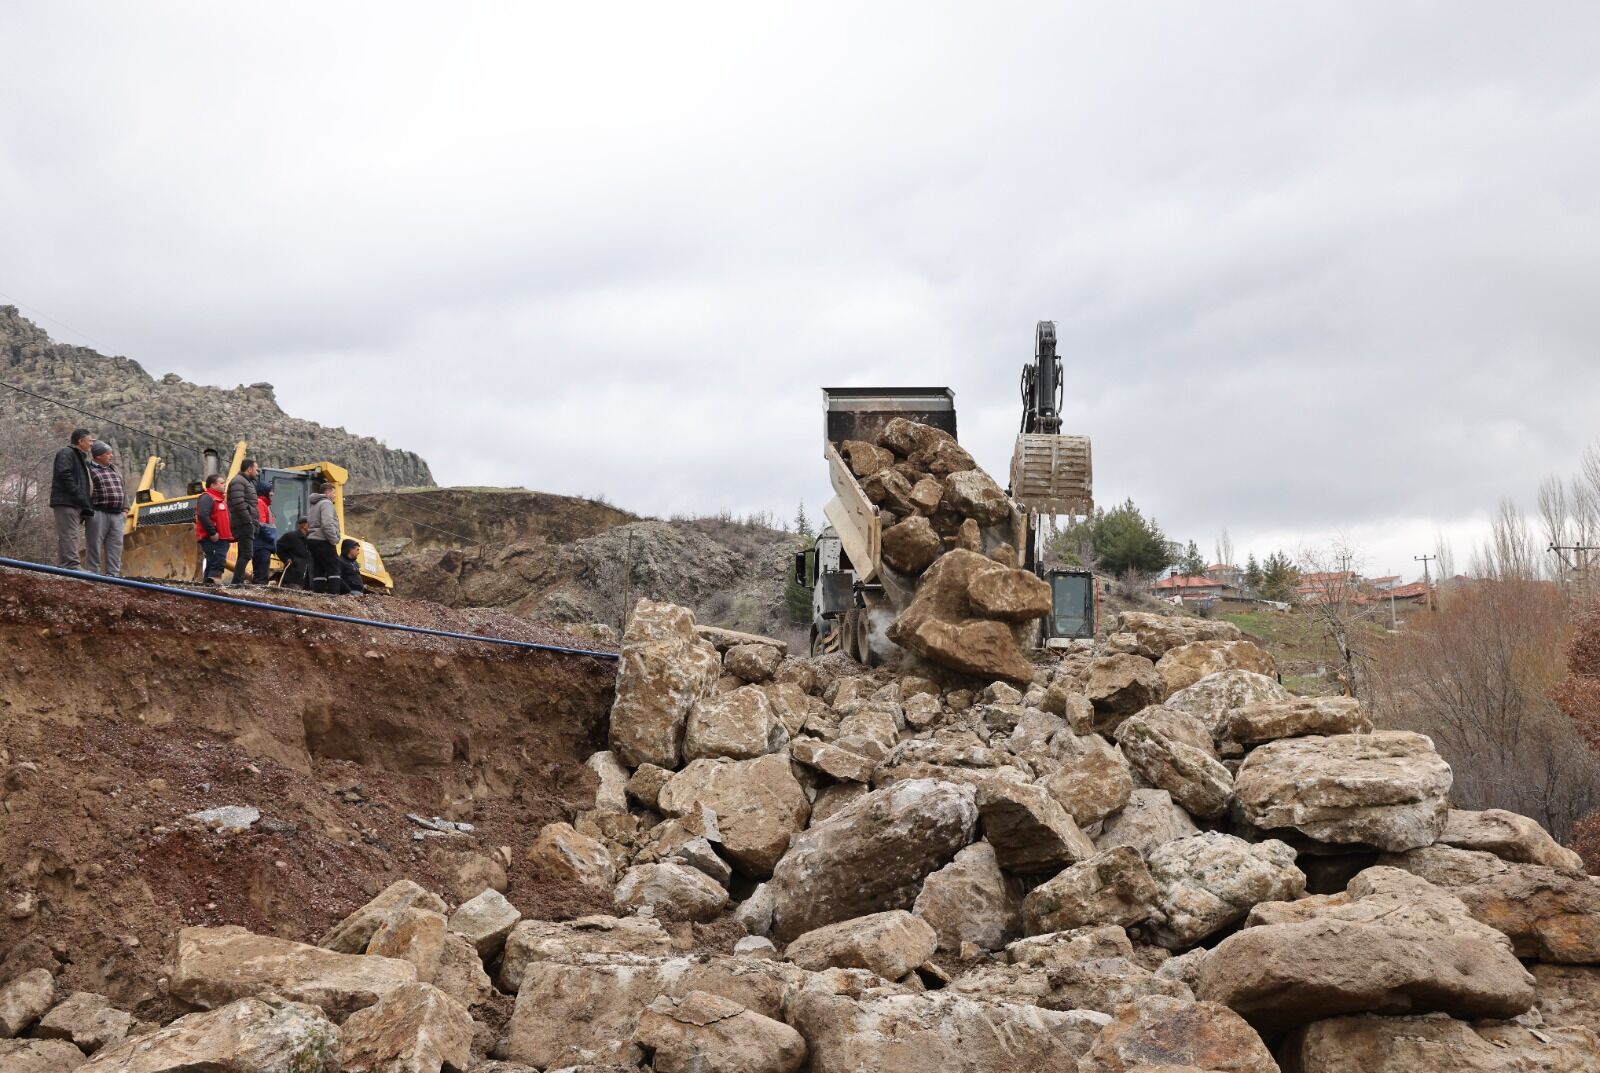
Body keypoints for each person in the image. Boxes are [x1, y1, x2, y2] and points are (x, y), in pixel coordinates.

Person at [48, 427, 94, 569]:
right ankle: (72, 565)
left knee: (69, 534)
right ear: (80, 441)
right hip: (67, 501)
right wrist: (78, 494)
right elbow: (64, 474)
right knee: (70, 534)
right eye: (90, 440)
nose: (92, 444)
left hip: (74, 502)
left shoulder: (79, 456)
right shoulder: (67, 452)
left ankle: (66, 565)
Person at [84, 442, 128, 576]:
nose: (111, 455)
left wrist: (125, 509)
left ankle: (113, 576)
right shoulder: (88, 469)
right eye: (107, 453)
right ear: (98, 456)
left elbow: (123, 490)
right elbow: (85, 490)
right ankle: (92, 575)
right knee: (94, 545)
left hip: (117, 515)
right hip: (97, 513)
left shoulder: (114, 469)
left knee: (116, 546)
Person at [226, 460, 261, 586]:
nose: (257, 473)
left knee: (243, 553)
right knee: (247, 553)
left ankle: (238, 581)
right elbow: (238, 503)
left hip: (245, 523)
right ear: (250, 469)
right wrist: (249, 521)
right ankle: (236, 582)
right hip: (243, 524)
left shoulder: (245, 482)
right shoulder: (239, 481)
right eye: (256, 470)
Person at [194, 473, 233, 583]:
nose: (224, 485)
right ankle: (214, 583)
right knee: (218, 561)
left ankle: (207, 585)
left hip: (222, 538)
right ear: (213, 485)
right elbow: (202, 515)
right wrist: (212, 533)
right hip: (213, 538)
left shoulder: (220, 500)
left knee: (213, 562)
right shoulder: (207, 497)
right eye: (221, 483)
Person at [306, 481, 341, 592]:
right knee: (334, 567)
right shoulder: (326, 503)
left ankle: (319, 593)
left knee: (319, 567)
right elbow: (327, 523)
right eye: (334, 493)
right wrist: (334, 539)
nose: (334, 496)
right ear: (328, 492)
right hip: (323, 539)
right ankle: (334, 596)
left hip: (312, 539)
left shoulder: (314, 504)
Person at [274, 517, 314, 589]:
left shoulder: (310, 539)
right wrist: (286, 559)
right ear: (304, 525)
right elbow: (278, 547)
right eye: (311, 524)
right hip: (294, 579)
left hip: (308, 581)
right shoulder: (291, 536)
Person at [251, 480, 278, 585]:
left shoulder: (265, 504)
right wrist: (271, 537)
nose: (272, 494)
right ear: (265, 491)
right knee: (261, 575)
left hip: (264, 544)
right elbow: (261, 524)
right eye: (271, 491)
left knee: (262, 573)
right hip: (262, 545)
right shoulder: (260, 503)